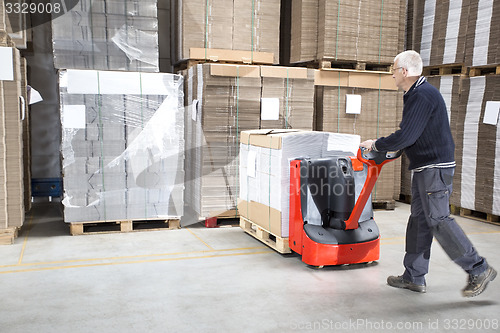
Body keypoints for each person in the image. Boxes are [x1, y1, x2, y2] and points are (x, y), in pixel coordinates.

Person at [360, 50, 496, 297]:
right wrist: (393, 149)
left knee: (438, 220)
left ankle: (479, 268)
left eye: (393, 70)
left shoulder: (422, 95)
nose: (391, 75)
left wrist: (377, 145)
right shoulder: (416, 94)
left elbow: (407, 135)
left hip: (435, 169)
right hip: (425, 168)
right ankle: (414, 276)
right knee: (419, 221)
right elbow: (412, 135)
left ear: (404, 71)